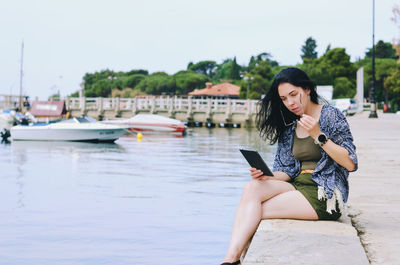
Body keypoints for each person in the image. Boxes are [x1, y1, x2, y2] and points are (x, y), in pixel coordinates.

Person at [221, 67, 358, 265]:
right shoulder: (290, 125)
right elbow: (286, 170)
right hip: (297, 185)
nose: (290, 103)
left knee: (254, 212)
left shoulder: (330, 116)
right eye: (284, 99)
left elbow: (351, 163)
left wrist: (318, 136)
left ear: (307, 89)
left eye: (294, 95)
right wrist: (267, 175)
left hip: (325, 193)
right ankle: (230, 260)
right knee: (252, 188)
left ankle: (232, 259)